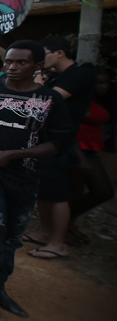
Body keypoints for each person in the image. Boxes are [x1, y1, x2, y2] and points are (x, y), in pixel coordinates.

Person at [0, 40, 73, 321]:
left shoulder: (49, 100)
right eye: (9, 61)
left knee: (12, 238)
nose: (12, 67)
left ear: (38, 66)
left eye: (21, 62)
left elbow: (58, 143)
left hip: (26, 177)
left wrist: (16, 154)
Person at [24, 36, 97, 259]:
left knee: (58, 192)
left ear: (60, 53)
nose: (40, 60)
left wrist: (36, 74)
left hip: (60, 138)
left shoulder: (79, 75)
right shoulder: (58, 75)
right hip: (44, 137)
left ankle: (58, 243)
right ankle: (45, 233)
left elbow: (49, 98)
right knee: (45, 188)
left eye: (43, 54)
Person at [70, 68, 114, 239]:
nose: (104, 87)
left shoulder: (98, 101)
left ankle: (66, 223)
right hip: (79, 150)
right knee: (99, 190)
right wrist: (80, 157)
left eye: (106, 83)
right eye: (99, 83)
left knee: (96, 191)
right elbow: (70, 128)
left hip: (91, 150)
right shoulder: (80, 102)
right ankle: (61, 226)